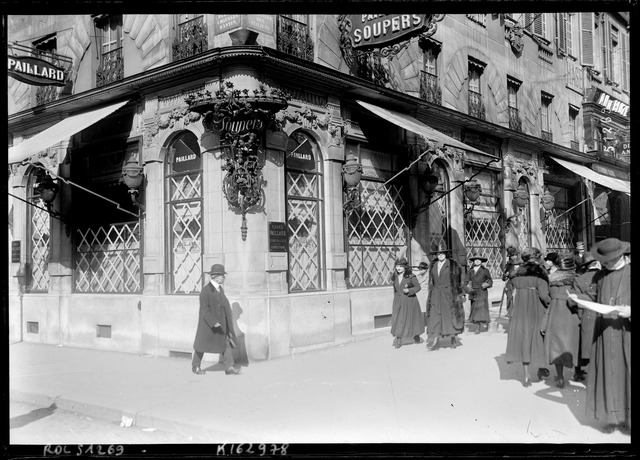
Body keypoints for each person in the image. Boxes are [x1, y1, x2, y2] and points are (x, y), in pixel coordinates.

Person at [583, 238, 631, 434]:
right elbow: (593, 297)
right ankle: (611, 417)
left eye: (608, 260)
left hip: (627, 332)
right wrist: (580, 299)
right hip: (605, 332)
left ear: (619, 256)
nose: (604, 264)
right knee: (607, 373)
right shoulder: (600, 276)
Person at [505, 247, 551, 387]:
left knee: (524, 338)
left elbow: (508, 290)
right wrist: (551, 304)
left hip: (520, 310)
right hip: (536, 309)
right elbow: (544, 295)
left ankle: (526, 376)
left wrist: (511, 308)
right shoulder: (540, 272)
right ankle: (541, 368)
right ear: (536, 258)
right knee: (538, 338)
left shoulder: (515, 273)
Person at [191, 264, 240, 375]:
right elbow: (204, 310)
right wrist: (213, 322)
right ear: (216, 276)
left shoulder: (219, 289)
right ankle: (195, 366)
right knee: (201, 345)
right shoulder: (205, 291)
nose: (224, 278)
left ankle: (230, 367)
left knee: (226, 343)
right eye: (222, 275)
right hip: (209, 325)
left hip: (221, 323)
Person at [540, 253, 579, 389]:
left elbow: (546, 296)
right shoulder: (576, 280)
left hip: (554, 314)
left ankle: (560, 377)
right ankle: (577, 372)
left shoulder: (551, 279)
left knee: (556, 345)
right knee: (574, 343)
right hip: (571, 314)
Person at [568, 252, 601, 382]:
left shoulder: (579, 279)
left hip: (586, 315)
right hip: (604, 314)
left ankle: (582, 373)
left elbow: (572, 301)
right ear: (598, 263)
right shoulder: (605, 277)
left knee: (585, 344)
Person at [426, 243, 464, 350]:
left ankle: (452, 338)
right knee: (435, 314)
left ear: (446, 254)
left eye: (442, 253)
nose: (440, 255)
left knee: (448, 315)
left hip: (448, 293)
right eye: (438, 253)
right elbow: (431, 281)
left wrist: (460, 293)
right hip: (436, 293)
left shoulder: (453, 265)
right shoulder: (433, 265)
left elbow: (459, 279)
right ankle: (435, 338)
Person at [390, 258, 425, 348]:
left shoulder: (410, 276)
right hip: (398, 300)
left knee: (413, 319)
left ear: (405, 267)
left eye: (401, 266)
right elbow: (395, 289)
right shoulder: (394, 276)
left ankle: (416, 335)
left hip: (410, 300)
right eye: (397, 266)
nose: (398, 268)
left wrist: (409, 290)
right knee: (398, 319)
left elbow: (418, 287)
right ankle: (399, 339)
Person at [464, 253, 493, 334]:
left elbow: (490, 281)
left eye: (478, 259)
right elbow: (465, 281)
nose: (477, 261)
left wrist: (487, 284)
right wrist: (467, 289)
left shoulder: (485, 270)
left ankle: (479, 327)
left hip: (482, 291)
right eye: (475, 260)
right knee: (474, 308)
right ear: (473, 261)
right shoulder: (470, 271)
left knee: (481, 309)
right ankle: (478, 323)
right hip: (473, 292)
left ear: (481, 261)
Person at [502, 247, 520, 318]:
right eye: (512, 256)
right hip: (510, 283)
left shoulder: (522, 264)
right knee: (509, 297)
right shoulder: (508, 265)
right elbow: (504, 278)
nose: (514, 257)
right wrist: (505, 275)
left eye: (515, 255)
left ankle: (518, 312)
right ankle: (510, 312)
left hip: (519, 283)